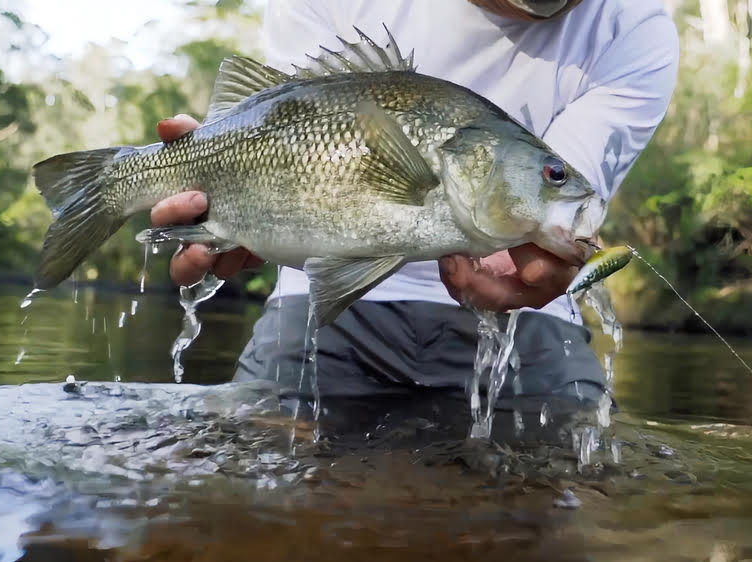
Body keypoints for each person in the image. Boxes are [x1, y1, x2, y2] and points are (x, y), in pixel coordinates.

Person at [151, 0, 679, 434]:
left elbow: (551, 212)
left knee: (578, 482)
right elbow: (268, 122)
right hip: (321, 295)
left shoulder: (633, 28)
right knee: (249, 468)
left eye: (553, 175)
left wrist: (545, 257)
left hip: (527, 318)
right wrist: (219, 180)